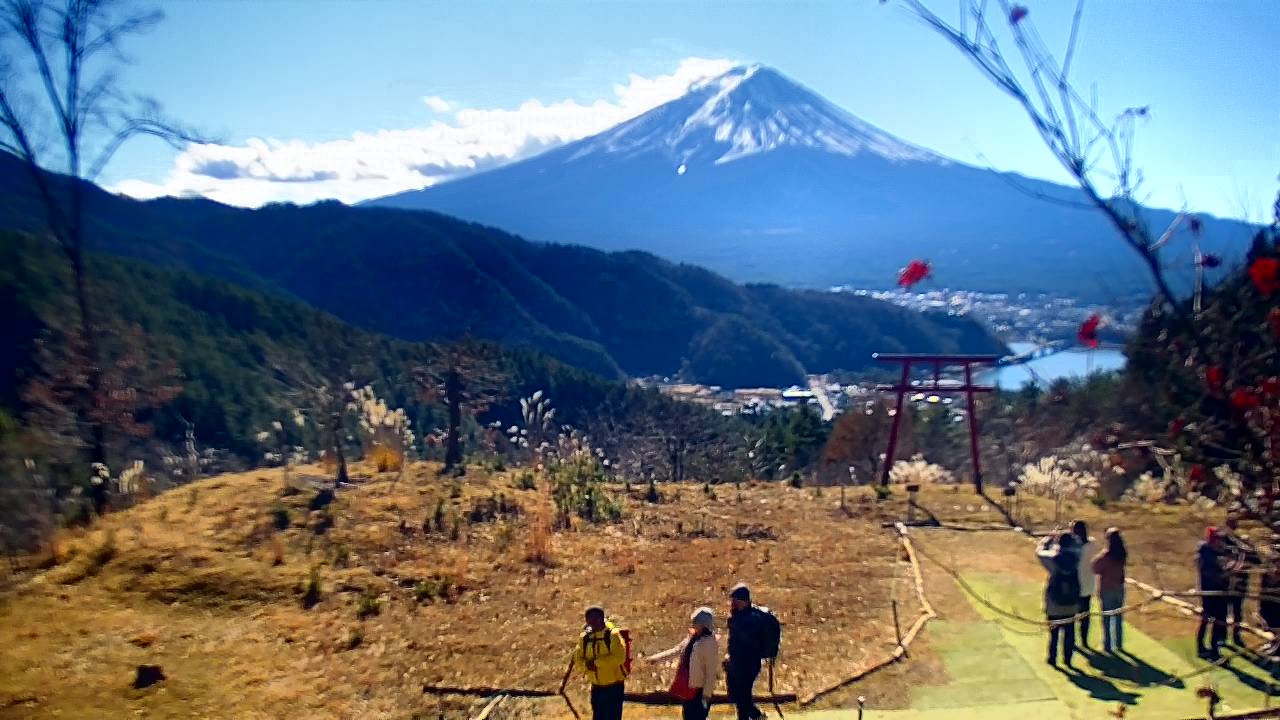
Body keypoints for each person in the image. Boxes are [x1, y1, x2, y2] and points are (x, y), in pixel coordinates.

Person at [647, 607, 720, 720]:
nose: (693, 624)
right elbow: (676, 650)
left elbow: (711, 671)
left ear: (703, 624)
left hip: (699, 690)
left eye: (695, 622)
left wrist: (706, 695)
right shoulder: (691, 638)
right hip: (688, 688)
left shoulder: (709, 644)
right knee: (687, 715)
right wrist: (656, 659)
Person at [572, 605, 628, 720]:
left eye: (595, 618)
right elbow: (577, 658)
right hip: (596, 687)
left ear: (602, 618)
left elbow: (619, 658)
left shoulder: (613, 636)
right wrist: (586, 666)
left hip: (614, 687)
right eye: (589, 619)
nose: (592, 622)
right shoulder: (585, 638)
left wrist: (596, 664)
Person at [1037, 532, 1081, 667]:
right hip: (1071, 604)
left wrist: (1048, 540)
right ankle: (1067, 659)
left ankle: (1052, 657)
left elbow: (1039, 552)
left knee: (1054, 633)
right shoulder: (1076, 558)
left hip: (1054, 603)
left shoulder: (1053, 560)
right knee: (1069, 632)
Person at [725, 583, 766, 720]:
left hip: (749, 664)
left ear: (745, 600)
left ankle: (756, 716)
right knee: (736, 695)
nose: (733, 603)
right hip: (736, 663)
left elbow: (749, 642)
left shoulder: (753, 618)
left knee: (743, 696)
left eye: (736, 600)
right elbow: (733, 641)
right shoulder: (735, 617)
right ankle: (757, 716)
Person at [1221, 515, 1259, 646]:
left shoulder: (1241, 541)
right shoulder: (1224, 540)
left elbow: (1256, 560)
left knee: (1238, 611)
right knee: (1224, 611)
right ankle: (1223, 637)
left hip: (1240, 584)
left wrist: (1250, 546)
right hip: (1226, 583)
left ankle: (1236, 636)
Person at [1091, 527, 1128, 653]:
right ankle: (1119, 644)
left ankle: (1107, 645)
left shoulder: (1106, 555)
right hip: (1119, 588)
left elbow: (1095, 567)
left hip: (1107, 589)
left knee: (1106, 618)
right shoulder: (1122, 553)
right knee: (1118, 618)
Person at [1196, 527, 1230, 660]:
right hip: (1210, 592)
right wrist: (1224, 573)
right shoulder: (1207, 553)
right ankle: (1204, 648)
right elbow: (1210, 574)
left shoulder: (1218, 552)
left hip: (1219, 592)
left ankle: (1213, 648)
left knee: (1217, 621)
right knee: (1208, 620)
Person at [1071, 520, 1099, 646]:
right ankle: (1084, 640)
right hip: (1088, 585)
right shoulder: (1092, 544)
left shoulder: (1073, 547)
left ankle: (1072, 641)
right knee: (1085, 615)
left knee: (1071, 616)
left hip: (1075, 585)